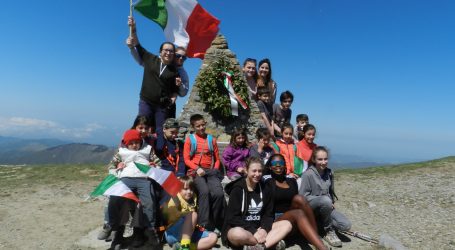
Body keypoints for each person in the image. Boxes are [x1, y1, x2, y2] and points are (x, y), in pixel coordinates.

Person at [108, 129, 163, 248]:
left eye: (136, 142)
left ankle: (151, 230)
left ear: (140, 141)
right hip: (126, 178)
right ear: (126, 143)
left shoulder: (148, 149)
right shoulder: (121, 151)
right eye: (131, 143)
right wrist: (118, 167)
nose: (134, 145)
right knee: (115, 199)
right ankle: (114, 227)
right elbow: (111, 166)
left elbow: (158, 163)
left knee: (148, 202)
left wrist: (153, 166)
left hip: (143, 178)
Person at [222, 157, 291, 250]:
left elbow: (269, 214)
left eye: (260, 171)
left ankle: (257, 247)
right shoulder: (237, 190)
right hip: (243, 229)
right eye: (254, 171)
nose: (257, 174)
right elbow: (232, 217)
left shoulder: (266, 188)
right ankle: (269, 243)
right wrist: (254, 231)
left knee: (287, 224)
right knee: (236, 234)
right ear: (246, 170)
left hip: (260, 228)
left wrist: (264, 229)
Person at [126, 16, 179, 134]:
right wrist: (133, 28)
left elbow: (175, 89)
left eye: (171, 51)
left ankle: (155, 151)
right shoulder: (150, 59)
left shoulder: (174, 71)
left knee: (159, 132)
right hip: (146, 101)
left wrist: (173, 98)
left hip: (162, 106)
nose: (168, 52)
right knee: (142, 126)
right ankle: (134, 147)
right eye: (166, 50)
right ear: (160, 52)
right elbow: (137, 44)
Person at [264, 154, 329, 250]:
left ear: (285, 165)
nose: (278, 166)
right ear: (270, 166)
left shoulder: (291, 180)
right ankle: (322, 248)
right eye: (274, 163)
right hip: (276, 220)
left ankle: (314, 236)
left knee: (299, 198)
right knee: (298, 213)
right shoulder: (266, 180)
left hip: (292, 216)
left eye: (281, 163)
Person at [300, 146, 352, 247]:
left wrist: (330, 202)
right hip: (311, 208)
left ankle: (320, 226)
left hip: (327, 207)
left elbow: (330, 192)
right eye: (320, 159)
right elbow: (302, 197)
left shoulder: (329, 173)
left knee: (345, 225)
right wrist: (323, 201)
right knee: (325, 200)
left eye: (325, 159)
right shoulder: (308, 174)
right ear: (314, 160)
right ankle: (328, 231)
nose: (323, 162)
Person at [183, 114, 224, 231]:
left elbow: (217, 159)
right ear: (193, 127)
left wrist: (215, 170)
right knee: (204, 192)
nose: (201, 128)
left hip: (211, 171)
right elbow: (186, 159)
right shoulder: (190, 140)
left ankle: (214, 222)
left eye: (203, 125)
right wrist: (197, 168)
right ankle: (203, 224)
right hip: (196, 171)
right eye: (198, 126)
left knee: (218, 194)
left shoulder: (212, 140)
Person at [162, 176, 218, 250]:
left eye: (191, 189)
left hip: (190, 234)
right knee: (192, 214)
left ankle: (181, 247)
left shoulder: (194, 198)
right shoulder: (175, 198)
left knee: (213, 237)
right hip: (173, 233)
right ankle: (185, 247)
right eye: (185, 189)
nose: (189, 192)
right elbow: (170, 216)